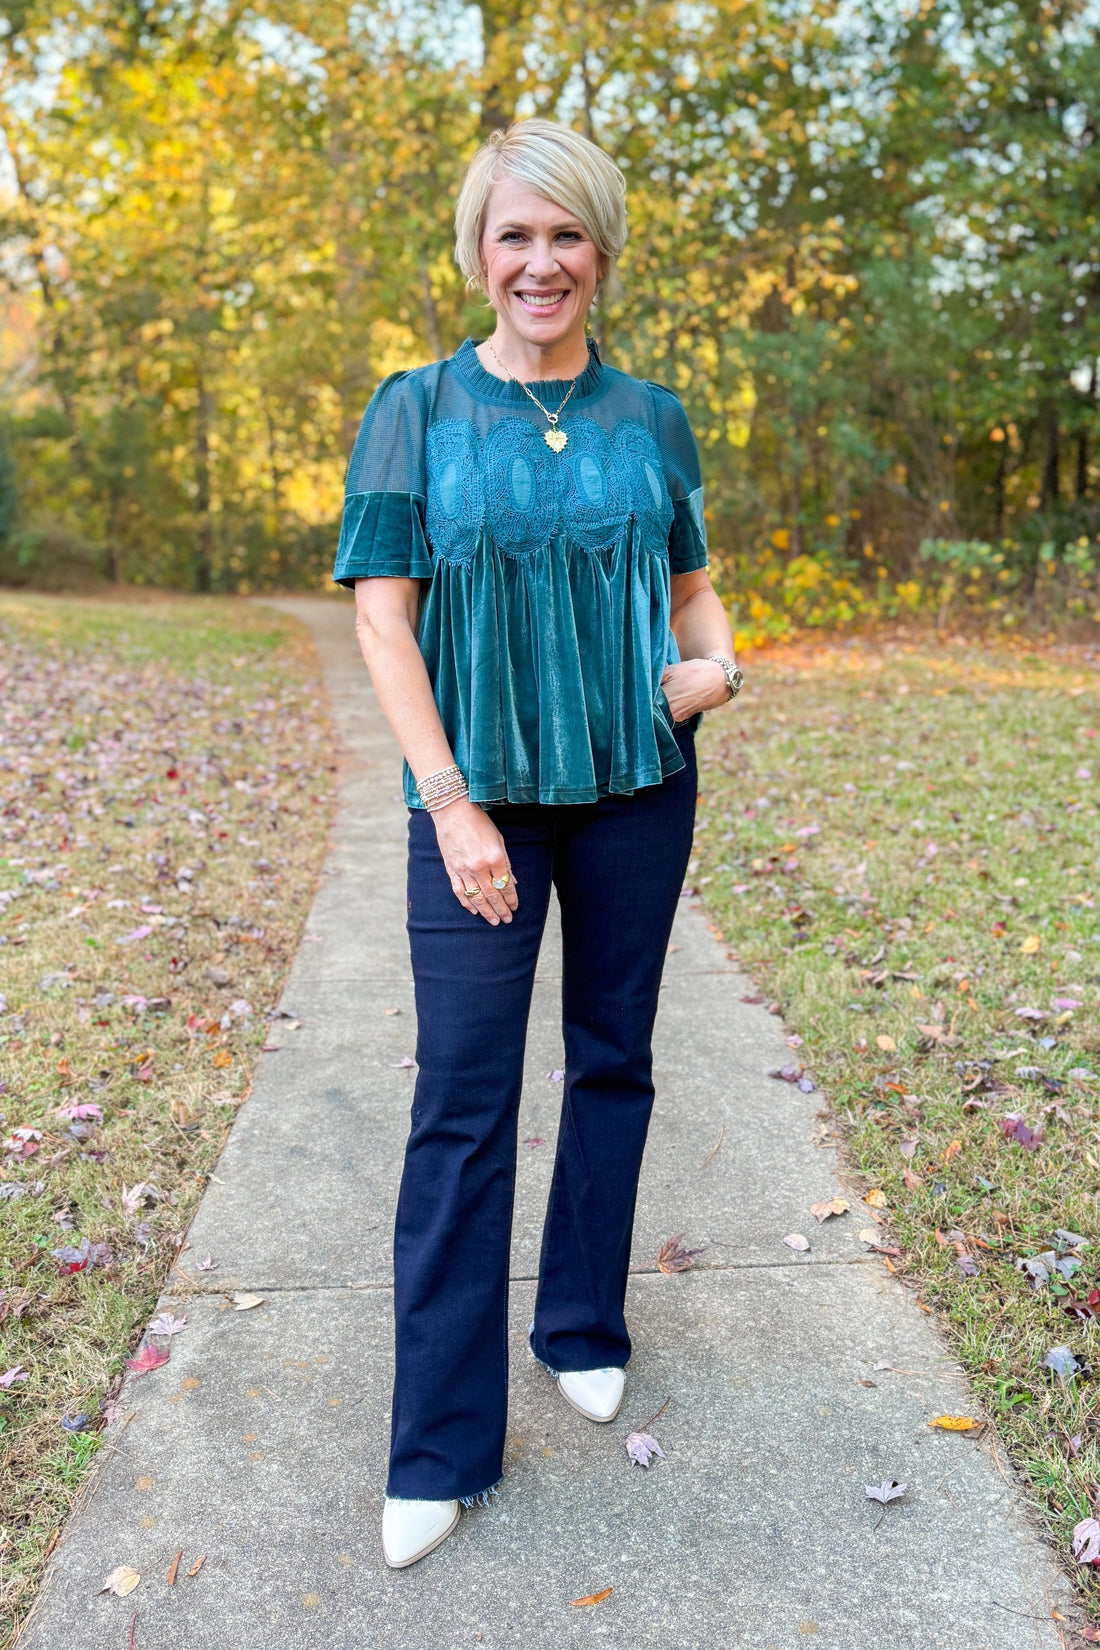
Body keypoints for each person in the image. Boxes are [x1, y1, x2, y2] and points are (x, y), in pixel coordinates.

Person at [334, 116, 743, 1570]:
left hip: (641, 783)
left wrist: (721, 667)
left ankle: (581, 1320)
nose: (541, 260)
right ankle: (438, 1443)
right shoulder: (419, 408)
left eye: (566, 233)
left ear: (602, 249)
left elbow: (697, 595)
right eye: (516, 234)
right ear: (479, 251)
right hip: (477, 802)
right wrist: (450, 801)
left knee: (613, 1060)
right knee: (460, 1095)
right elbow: (383, 615)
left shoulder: (653, 417)